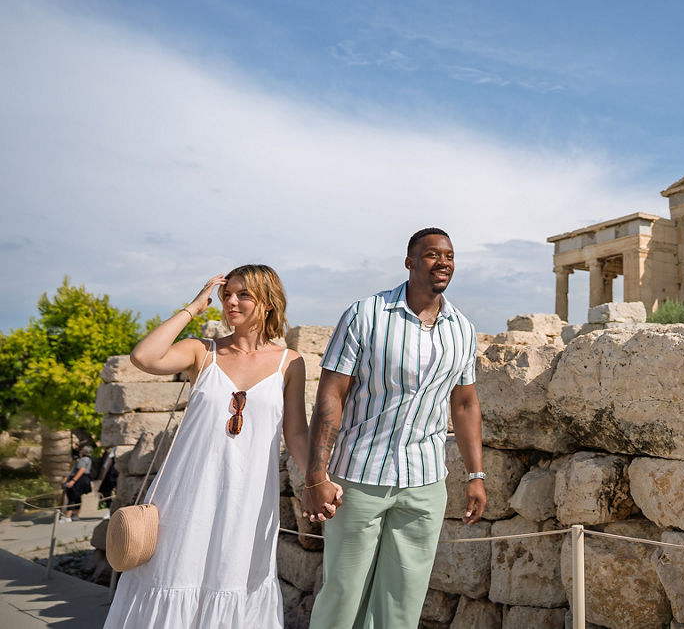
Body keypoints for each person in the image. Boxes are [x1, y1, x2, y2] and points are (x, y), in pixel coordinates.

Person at [104, 264, 333, 628]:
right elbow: (144, 357)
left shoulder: (290, 363)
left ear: (268, 302)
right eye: (227, 295)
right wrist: (194, 306)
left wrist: (316, 479)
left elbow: (296, 434)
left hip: (249, 498)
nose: (232, 302)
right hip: (186, 493)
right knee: (174, 573)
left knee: (235, 578)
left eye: (244, 294)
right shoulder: (201, 351)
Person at [303, 227, 486, 629]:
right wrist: (316, 474)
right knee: (343, 595)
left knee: (402, 601)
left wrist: (476, 475)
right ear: (409, 262)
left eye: (450, 256)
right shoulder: (365, 314)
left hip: (425, 483)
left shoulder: (463, 329)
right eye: (432, 255)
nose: (443, 263)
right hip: (359, 478)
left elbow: (465, 402)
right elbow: (331, 395)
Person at [62, 444, 93, 519]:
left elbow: (81, 470)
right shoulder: (88, 459)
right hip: (84, 478)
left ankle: (68, 516)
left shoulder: (83, 460)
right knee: (77, 497)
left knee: (71, 497)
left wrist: (73, 481)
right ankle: (75, 514)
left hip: (79, 479)